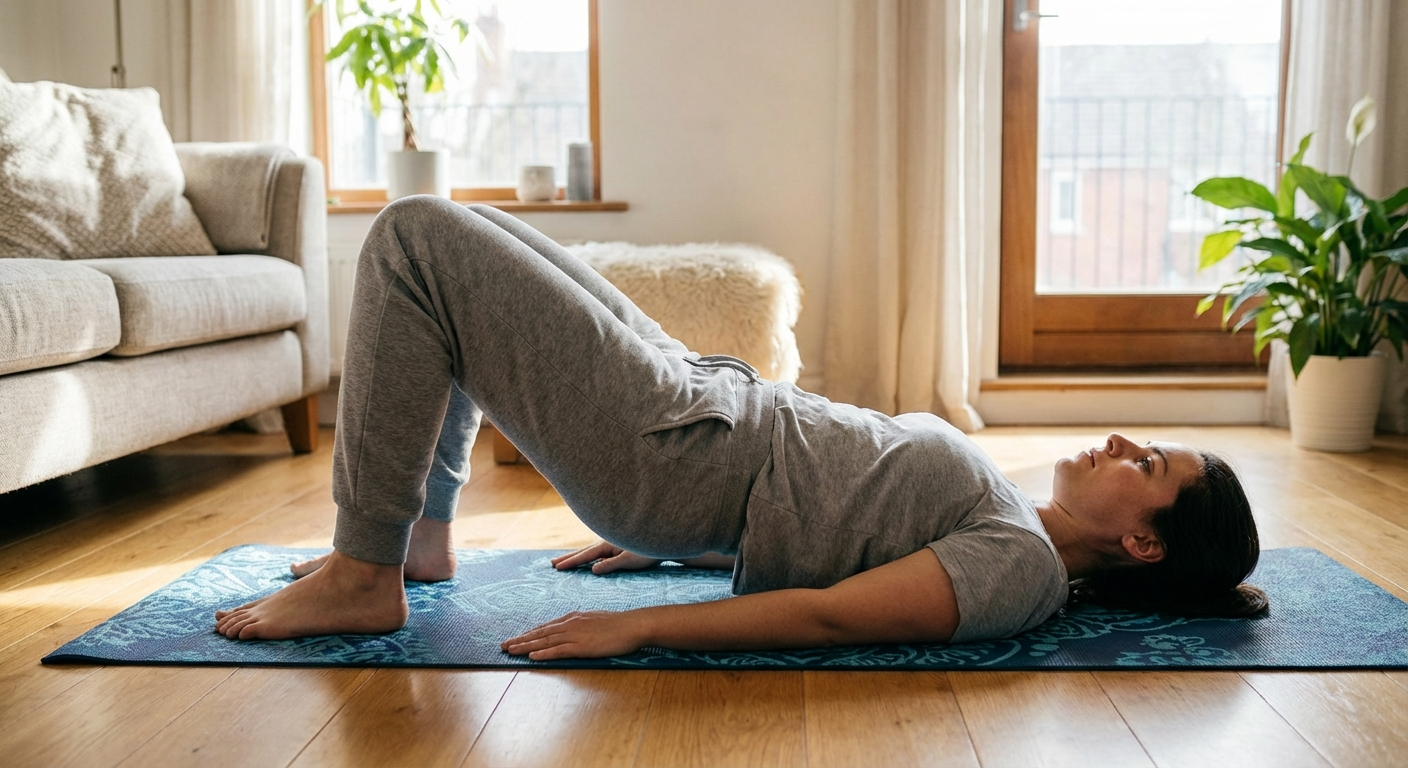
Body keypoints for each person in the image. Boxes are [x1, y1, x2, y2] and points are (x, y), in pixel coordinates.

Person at [213, 197, 1268, 656]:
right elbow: (840, 518)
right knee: (468, 233)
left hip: (677, 444)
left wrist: (645, 623)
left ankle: (366, 573)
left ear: (1143, 541)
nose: (1126, 443)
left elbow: (834, 614)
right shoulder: (1013, 523)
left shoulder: (1019, 574)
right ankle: (419, 542)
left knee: (413, 237)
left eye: (1150, 465)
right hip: (698, 417)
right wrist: (671, 543)